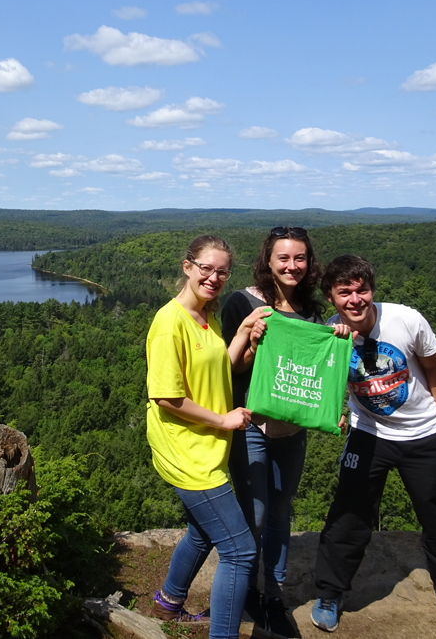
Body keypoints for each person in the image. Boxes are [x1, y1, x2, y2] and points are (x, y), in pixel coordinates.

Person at [309, 255, 436, 636]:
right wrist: (333, 412)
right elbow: (328, 381)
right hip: (369, 434)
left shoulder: (406, 320)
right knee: (349, 514)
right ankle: (330, 593)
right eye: (345, 292)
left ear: (371, 290)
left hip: (423, 434)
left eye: (362, 290)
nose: (355, 299)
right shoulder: (333, 332)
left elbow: (435, 370)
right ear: (331, 297)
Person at [221, 226, 348, 638]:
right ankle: (245, 591)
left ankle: (272, 594)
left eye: (300, 258)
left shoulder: (312, 312)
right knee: (254, 514)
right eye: (284, 258)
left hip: (294, 429)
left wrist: (339, 335)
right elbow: (231, 369)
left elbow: (315, 370)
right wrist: (251, 338)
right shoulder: (242, 302)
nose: (292, 266)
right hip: (253, 425)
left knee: (280, 511)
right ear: (268, 261)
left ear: (309, 263)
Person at [146, 235, 271, 638]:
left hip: (206, 448)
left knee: (202, 532)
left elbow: (220, 367)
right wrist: (222, 421)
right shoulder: (170, 323)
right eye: (206, 268)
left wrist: (244, 333)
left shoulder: (207, 314)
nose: (214, 277)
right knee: (240, 551)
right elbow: (167, 397)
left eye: (222, 271)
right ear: (187, 267)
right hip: (189, 454)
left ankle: (168, 602)